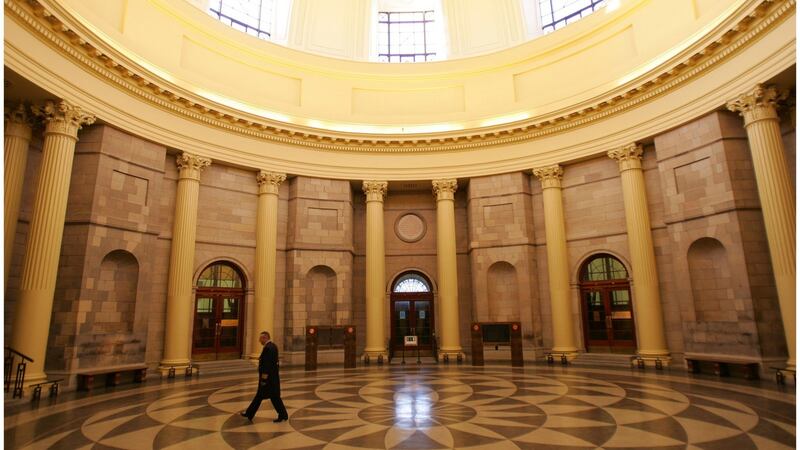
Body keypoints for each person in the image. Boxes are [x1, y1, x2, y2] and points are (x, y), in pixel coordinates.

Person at [240, 331, 288, 423]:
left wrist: (263, 379)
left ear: (265, 338)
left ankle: (283, 415)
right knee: (266, 397)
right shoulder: (273, 346)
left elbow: (267, 365)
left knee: (273, 397)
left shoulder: (268, 348)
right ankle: (250, 413)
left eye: (260, 338)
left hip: (268, 380)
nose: (259, 340)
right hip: (272, 378)